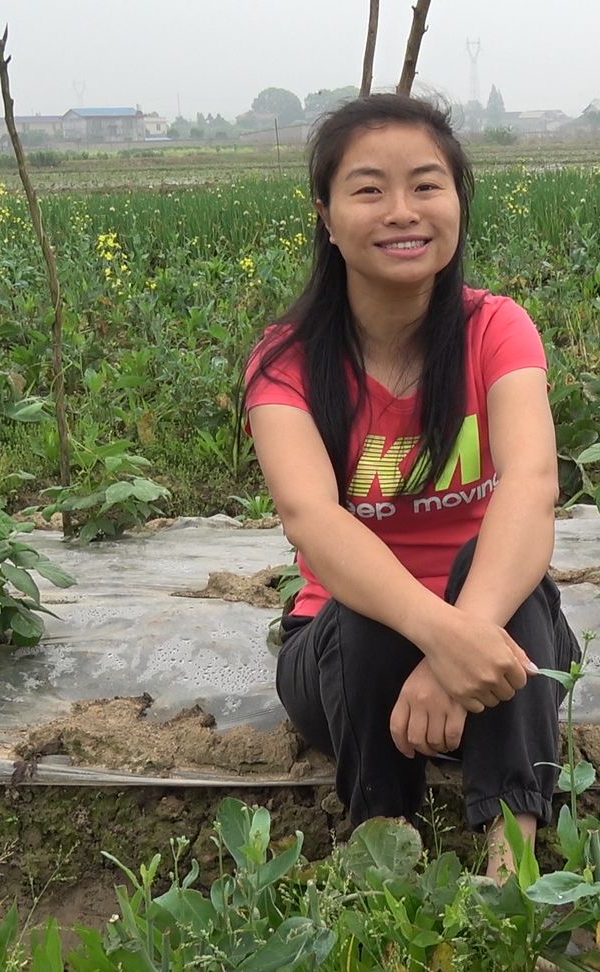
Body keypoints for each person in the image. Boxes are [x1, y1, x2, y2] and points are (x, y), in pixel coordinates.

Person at [244, 94, 580, 879]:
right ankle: (384, 849)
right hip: (340, 660)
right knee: (366, 594)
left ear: (457, 200)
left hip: (500, 647)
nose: (402, 211)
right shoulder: (286, 359)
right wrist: (436, 635)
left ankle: (512, 866)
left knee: (503, 579)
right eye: (368, 190)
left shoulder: (496, 328)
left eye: (426, 185)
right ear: (326, 216)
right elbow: (311, 518)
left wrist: (458, 643)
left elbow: (530, 486)